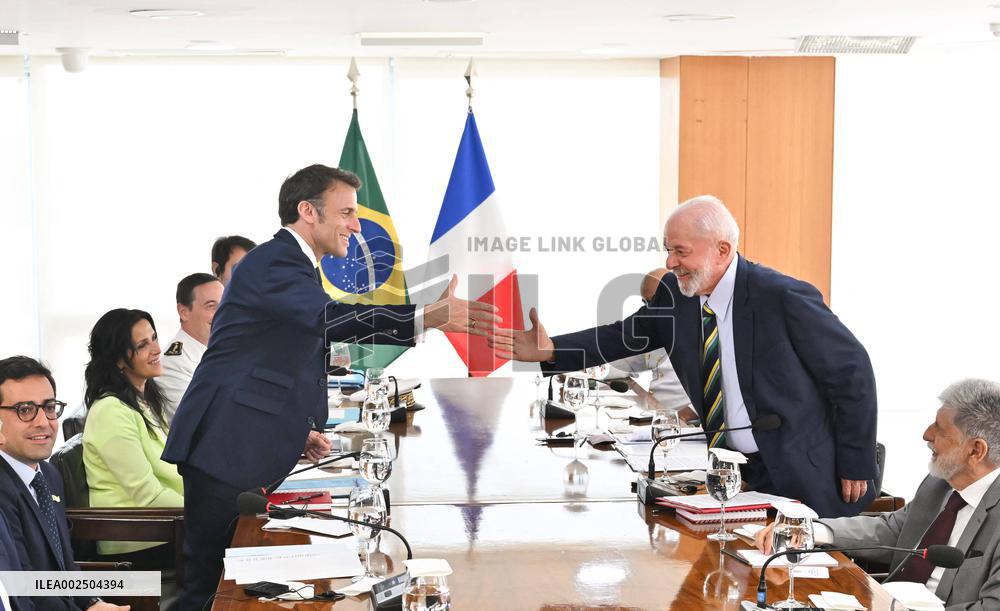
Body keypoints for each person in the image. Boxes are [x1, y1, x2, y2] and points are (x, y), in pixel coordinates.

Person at [162, 163, 499, 609]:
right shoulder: (275, 260)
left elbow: (269, 361)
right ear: (308, 211)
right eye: (346, 213)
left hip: (239, 438)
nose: (356, 226)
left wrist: (293, 429)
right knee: (211, 589)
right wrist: (423, 316)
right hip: (225, 444)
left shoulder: (294, 265)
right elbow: (331, 318)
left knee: (234, 583)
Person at [493, 195, 878, 518]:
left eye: (681, 251)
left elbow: (853, 373)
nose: (671, 262)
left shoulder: (782, 296)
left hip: (805, 470)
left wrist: (856, 461)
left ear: (722, 250)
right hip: (738, 472)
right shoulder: (675, 297)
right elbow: (619, 336)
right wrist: (550, 351)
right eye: (668, 250)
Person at [755, 379, 1000, 609]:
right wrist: (809, 530)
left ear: (976, 450)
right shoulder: (939, 484)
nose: (926, 434)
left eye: (939, 428)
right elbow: (892, 530)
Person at [0, 355, 127, 611]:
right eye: (25, 410)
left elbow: (63, 564)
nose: (43, 422)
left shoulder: (48, 474)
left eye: (49, 407)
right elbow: (22, 590)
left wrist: (92, 602)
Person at [81, 309, 183, 563]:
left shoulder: (144, 399)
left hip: (169, 526)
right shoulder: (110, 412)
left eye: (154, 338)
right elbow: (147, 496)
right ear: (119, 360)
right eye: (142, 345)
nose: (157, 349)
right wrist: (206, 511)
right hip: (140, 540)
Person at [603, 268, 693, 419]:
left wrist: (682, 417)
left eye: (654, 302)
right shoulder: (657, 328)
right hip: (654, 412)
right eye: (646, 303)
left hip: (682, 422)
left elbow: (722, 390)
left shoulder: (700, 329)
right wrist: (587, 368)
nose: (649, 310)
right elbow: (626, 364)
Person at [158, 273, 224, 423]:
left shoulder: (222, 352)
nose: (221, 313)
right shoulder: (174, 364)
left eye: (224, 305)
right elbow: (196, 423)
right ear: (184, 312)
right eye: (211, 306)